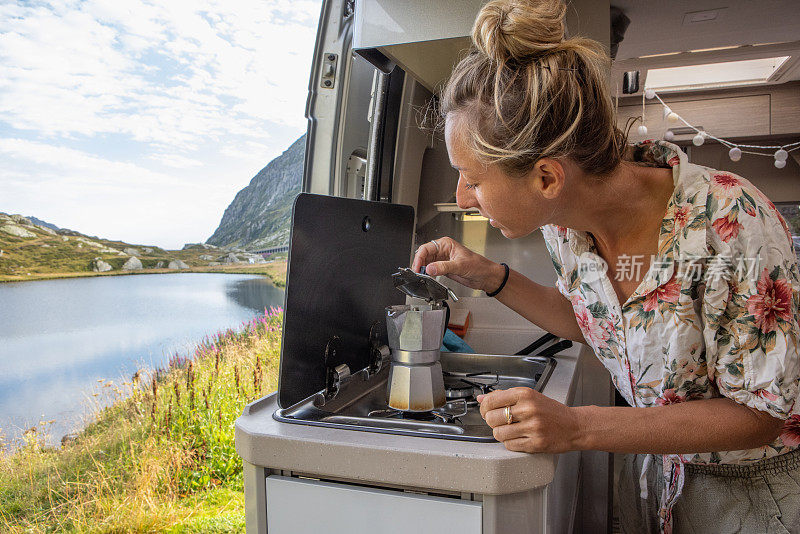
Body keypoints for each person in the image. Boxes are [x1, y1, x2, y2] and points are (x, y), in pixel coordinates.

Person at [411, 1, 800, 532]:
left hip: (753, 493)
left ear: (547, 178)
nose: (463, 197)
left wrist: (575, 427)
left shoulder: (730, 222)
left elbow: (760, 414)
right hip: (656, 468)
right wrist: (489, 276)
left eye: (472, 180)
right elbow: (597, 324)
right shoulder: (563, 228)